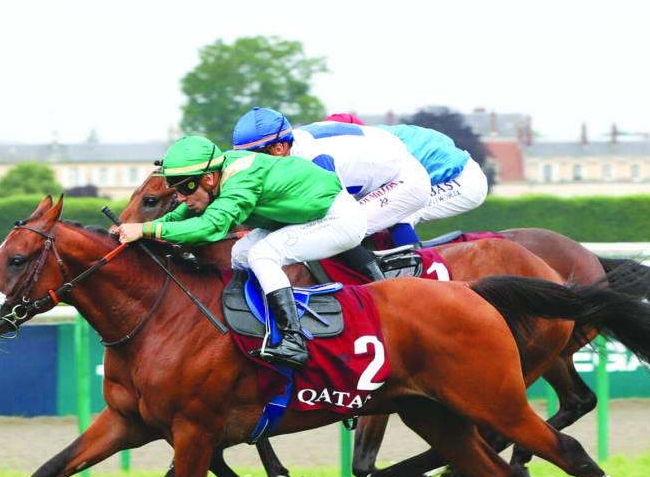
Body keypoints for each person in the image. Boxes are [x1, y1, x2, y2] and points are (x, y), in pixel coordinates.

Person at [113, 135, 365, 369]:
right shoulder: (215, 172)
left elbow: (209, 227)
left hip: (337, 218)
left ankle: (294, 340)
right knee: (241, 252)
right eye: (176, 189)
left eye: (184, 188)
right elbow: (186, 212)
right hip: (299, 218)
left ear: (208, 179)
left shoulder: (240, 181)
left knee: (262, 255)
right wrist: (139, 228)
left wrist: (146, 228)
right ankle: (255, 326)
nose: (180, 197)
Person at [231, 107, 432, 277]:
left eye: (254, 157)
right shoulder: (290, 150)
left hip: (404, 181)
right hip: (373, 166)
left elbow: (338, 219)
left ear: (279, 148)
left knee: (338, 227)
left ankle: (383, 284)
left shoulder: (313, 160)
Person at [325, 113, 489, 247]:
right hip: (445, 173)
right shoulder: (370, 138)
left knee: (397, 213)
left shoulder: (372, 146)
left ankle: (418, 273)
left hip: (462, 180)